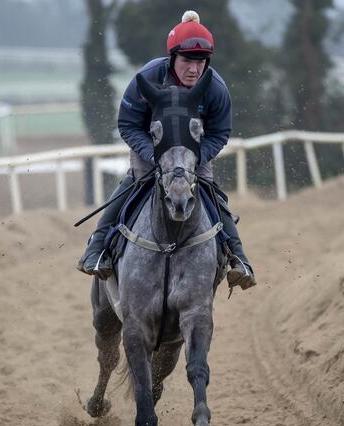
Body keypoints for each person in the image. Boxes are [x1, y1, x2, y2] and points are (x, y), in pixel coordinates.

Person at [77, 10, 256, 291]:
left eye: (201, 62)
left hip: (194, 155)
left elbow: (220, 133)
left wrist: (195, 158)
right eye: (187, 61)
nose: (194, 70)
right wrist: (153, 156)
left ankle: (238, 259)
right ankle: (96, 247)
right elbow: (128, 124)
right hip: (152, 149)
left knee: (210, 190)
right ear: (172, 56)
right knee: (133, 183)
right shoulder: (148, 77)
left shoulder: (216, 88)